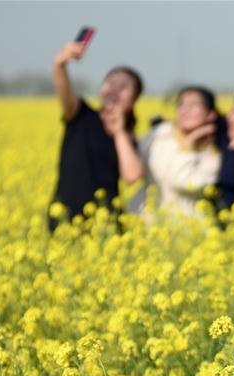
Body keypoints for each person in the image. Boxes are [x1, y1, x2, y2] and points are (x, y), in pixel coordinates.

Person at [49, 40, 144, 232]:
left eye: (123, 86)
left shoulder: (128, 136)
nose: (114, 90)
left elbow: (132, 175)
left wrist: (119, 132)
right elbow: (65, 93)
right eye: (110, 83)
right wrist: (60, 64)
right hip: (65, 218)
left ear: (133, 99)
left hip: (107, 222)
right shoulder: (80, 115)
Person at [129, 86, 222, 219]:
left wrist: (189, 144)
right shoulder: (158, 135)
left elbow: (182, 182)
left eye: (194, 105)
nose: (185, 110)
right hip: (145, 222)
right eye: (181, 104)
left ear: (211, 114)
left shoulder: (213, 153)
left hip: (188, 227)